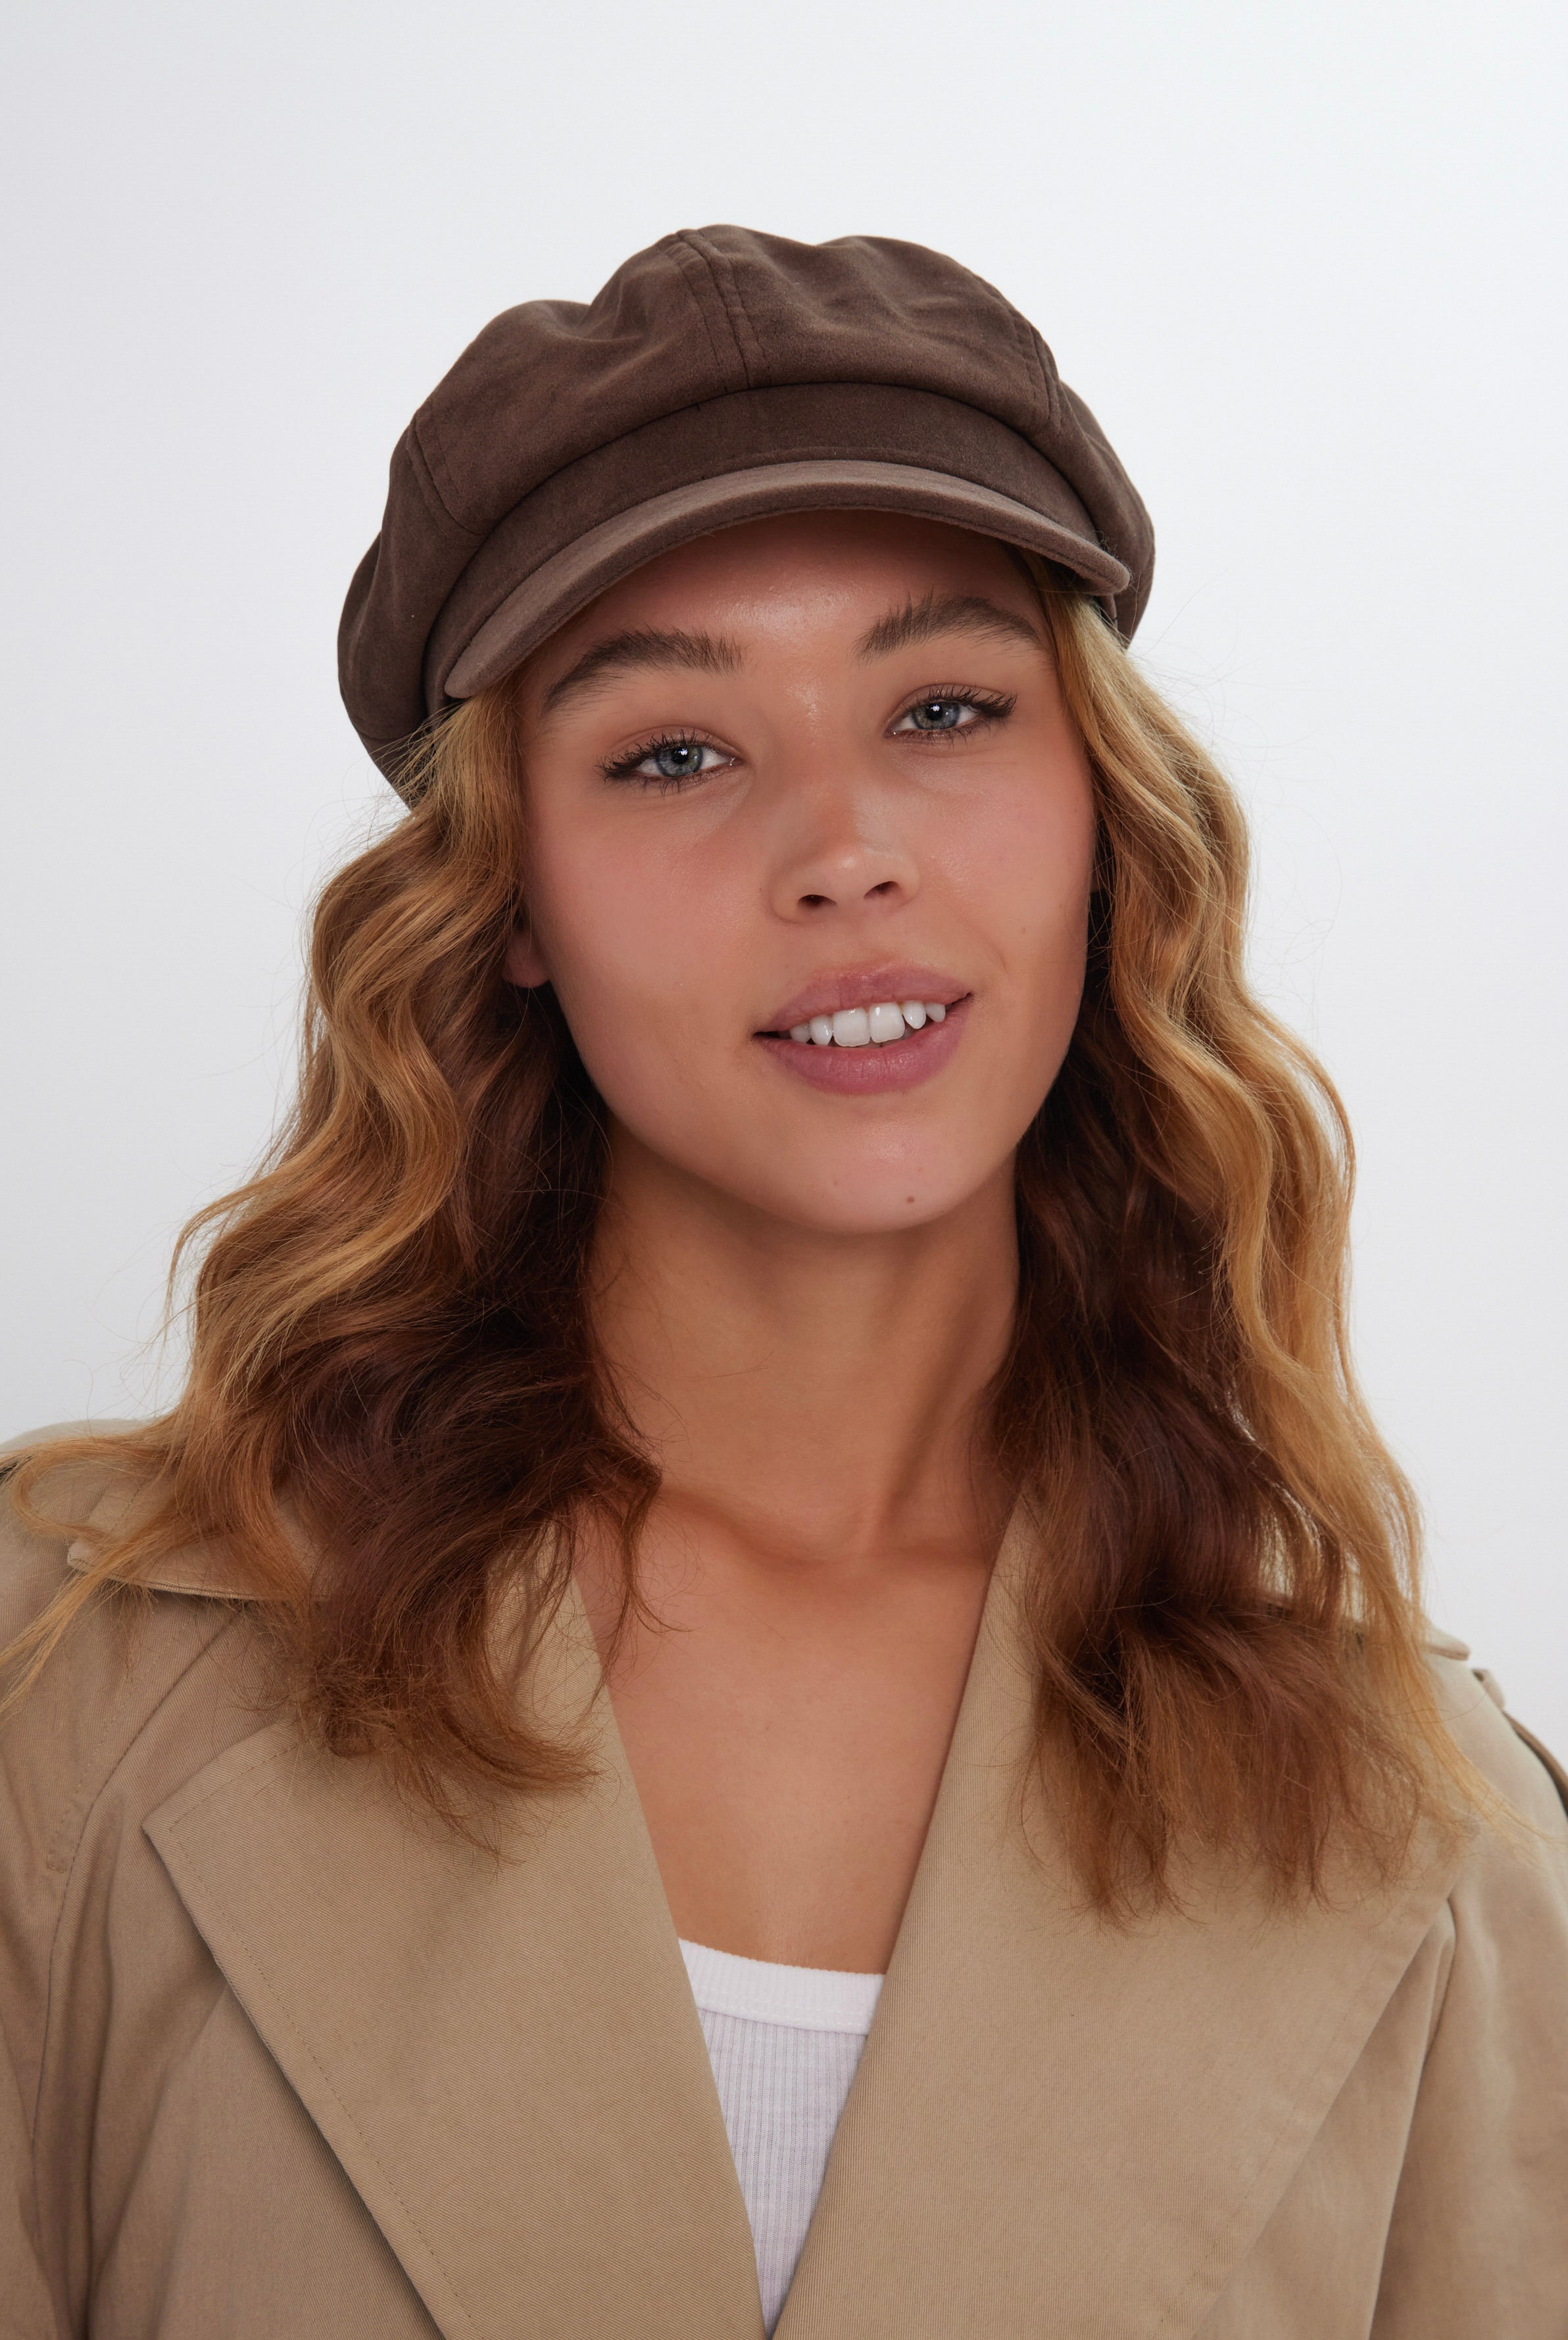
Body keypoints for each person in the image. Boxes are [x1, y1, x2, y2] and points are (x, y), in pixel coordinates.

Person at [2, 226, 1565, 2340]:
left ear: (1102, 812)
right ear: (512, 892)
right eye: (673, 751)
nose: (843, 846)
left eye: (944, 707)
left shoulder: (1440, 1838)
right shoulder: (70, 1691)